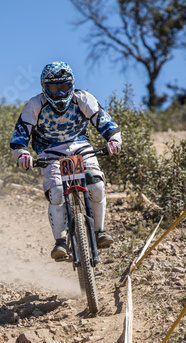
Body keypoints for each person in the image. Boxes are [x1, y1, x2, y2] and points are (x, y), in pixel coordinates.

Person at [10, 61, 122, 260]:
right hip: (49, 151)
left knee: (96, 186)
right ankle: (60, 242)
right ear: (45, 88)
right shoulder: (35, 105)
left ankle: (100, 231)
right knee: (56, 192)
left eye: (65, 88)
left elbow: (106, 123)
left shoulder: (83, 99)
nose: (60, 95)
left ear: (72, 85)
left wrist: (113, 140)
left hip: (80, 147)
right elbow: (19, 136)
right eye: (55, 89)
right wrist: (23, 155)